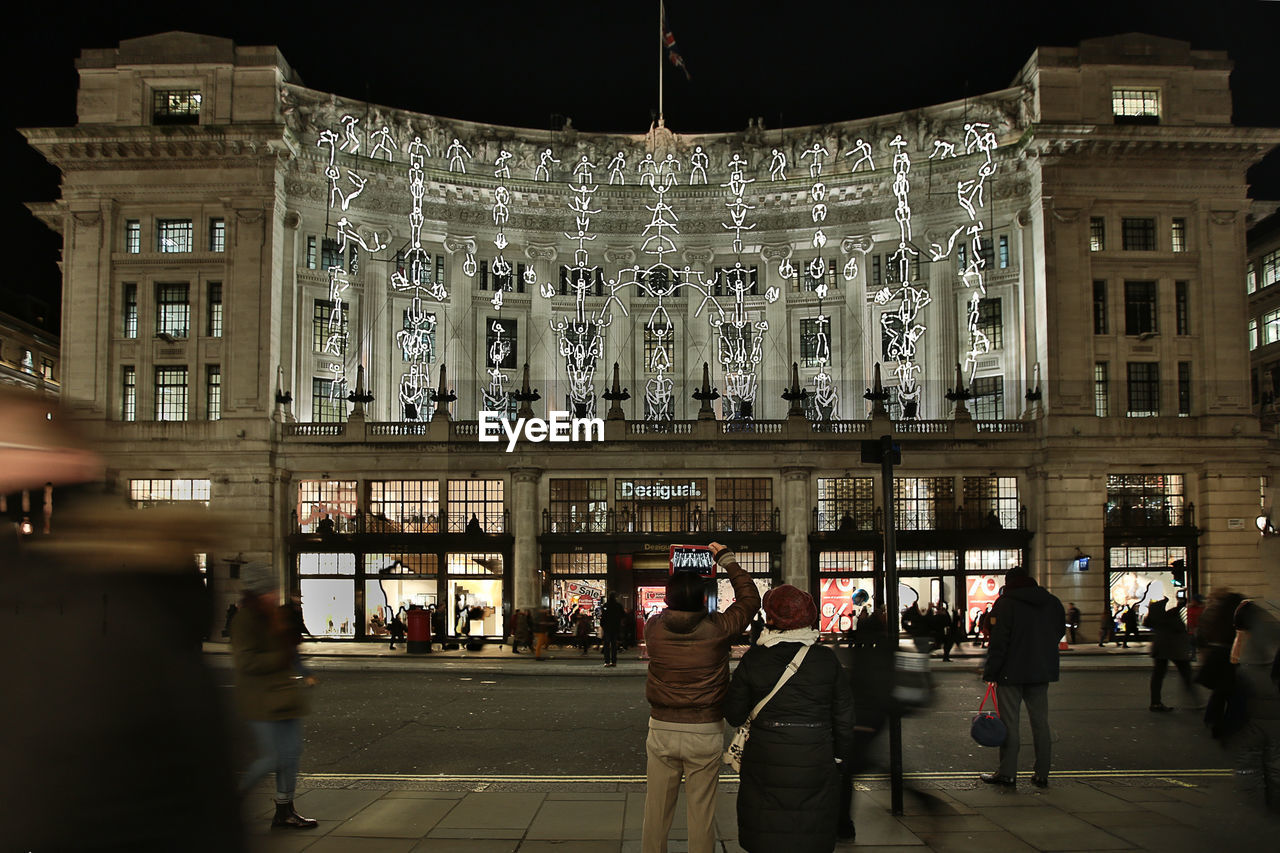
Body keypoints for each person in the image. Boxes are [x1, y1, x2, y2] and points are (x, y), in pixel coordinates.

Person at [642, 541, 760, 853]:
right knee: (702, 814)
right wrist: (726, 559)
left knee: (655, 813)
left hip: (662, 728)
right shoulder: (718, 628)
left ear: (668, 597)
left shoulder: (653, 628)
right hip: (704, 730)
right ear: (703, 598)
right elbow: (750, 600)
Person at [725, 585, 853, 853]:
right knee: (811, 830)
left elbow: (734, 714)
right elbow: (844, 716)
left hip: (765, 756)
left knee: (766, 826)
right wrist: (839, 756)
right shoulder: (827, 661)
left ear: (771, 617)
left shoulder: (755, 659)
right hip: (816, 755)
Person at [231, 562, 318, 829]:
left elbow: (289, 649)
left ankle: (285, 811)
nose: (274, 594)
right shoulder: (244, 619)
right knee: (273, 757)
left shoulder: (275, 615)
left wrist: (301, 669)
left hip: (284, 695)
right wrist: (279, 658)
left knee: (291, 754)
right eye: (269, 590)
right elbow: (246, 662)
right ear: (257, 593)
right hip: (260, 699)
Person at [979, 566, 1066, 788]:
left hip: (1011, 672)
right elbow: (1057, 632)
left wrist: (991, 672)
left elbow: (999, 643)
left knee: (1009, 724)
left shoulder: (1005, 604)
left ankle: (1007, 773)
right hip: (1040, 670)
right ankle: (1042, 773)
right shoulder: (1051, 602)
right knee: (1040, 723)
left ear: (1009, 583)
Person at [1230, 597, 1280, 813]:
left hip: (1255, 713)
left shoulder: (1247, 655)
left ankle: (1254, 799)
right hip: (1274, 713)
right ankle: (1275, 799)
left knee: (1251, 756)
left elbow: (1235, 661)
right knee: (1275, 759)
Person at [1145, 598, 1193, 712]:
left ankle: (1155, 702)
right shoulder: (1170, 617)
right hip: (1173, 649)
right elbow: (1179, 629)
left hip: (1160, 649)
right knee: (1186, 673)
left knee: (1158, 675)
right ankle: (1193, 700)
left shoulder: (1157, 617)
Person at [602, 593, 624, 667]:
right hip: (615, 627)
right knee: (614, 645)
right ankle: (614, 661)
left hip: (607, 628)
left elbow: (603, 617)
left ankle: (607, 661)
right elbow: (623, 615)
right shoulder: (618, 606)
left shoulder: (605, 605)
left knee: (607, 645)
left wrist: (603, 626)